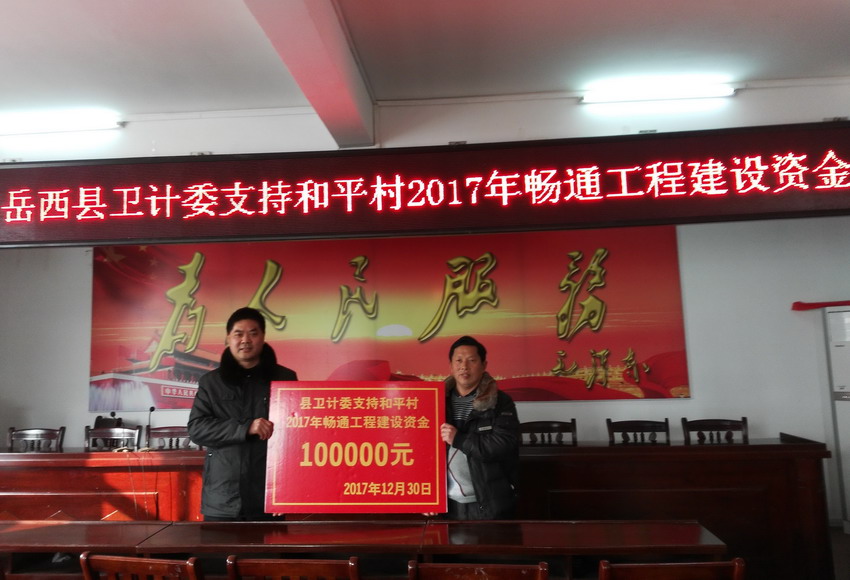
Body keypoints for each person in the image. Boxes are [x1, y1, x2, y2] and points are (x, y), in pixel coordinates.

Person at [187, 306, 298, 521]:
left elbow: (295, 438)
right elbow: (197, 429)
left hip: (268, 496)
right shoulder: (211, 382)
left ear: (263, 337)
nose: (245, 340)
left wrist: (285, 491)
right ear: (228, 338)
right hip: (223, 499)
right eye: (238, 334)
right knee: (220, 545)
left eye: (253, 333)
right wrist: (245, 427)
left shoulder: (284, 378)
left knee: (269, 545)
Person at [439, 335, 520, 519]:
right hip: (447, 504)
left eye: (472, 360)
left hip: (488, 502)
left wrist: (459, 439)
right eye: (458, 360)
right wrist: (427, 497)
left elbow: (504, 444)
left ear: (484, 365)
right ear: (451, 366)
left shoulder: (499, 402)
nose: (464, 366)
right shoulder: (436, 402)